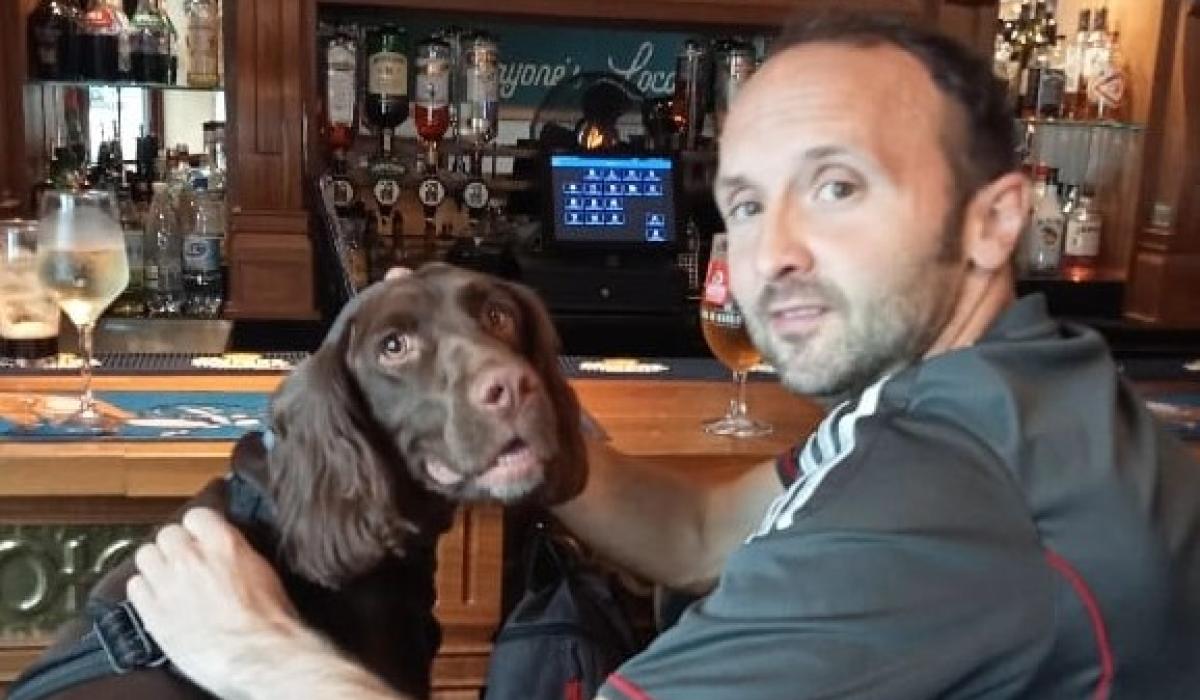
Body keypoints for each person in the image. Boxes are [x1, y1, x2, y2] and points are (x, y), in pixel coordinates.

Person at [125, 12, 1200, 700]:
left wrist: (264, 656)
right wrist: (523, 425)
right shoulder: (982, 389)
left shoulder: (946, 501)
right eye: (745, 204)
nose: (774, 252)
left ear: (993, 220)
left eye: (836, 186)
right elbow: (704, 535)